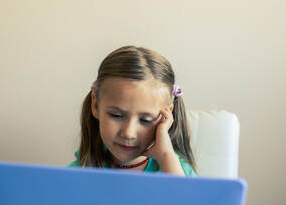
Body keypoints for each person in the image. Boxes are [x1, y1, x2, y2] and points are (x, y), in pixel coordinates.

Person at [68, 46, 197, 176]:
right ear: (95, 105)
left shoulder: (177, 171)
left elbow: (186, 196)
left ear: (166, 117)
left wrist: (165, 157)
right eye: (116, 115)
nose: (129, 133)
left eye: (145, 120)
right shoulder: (75, 175)